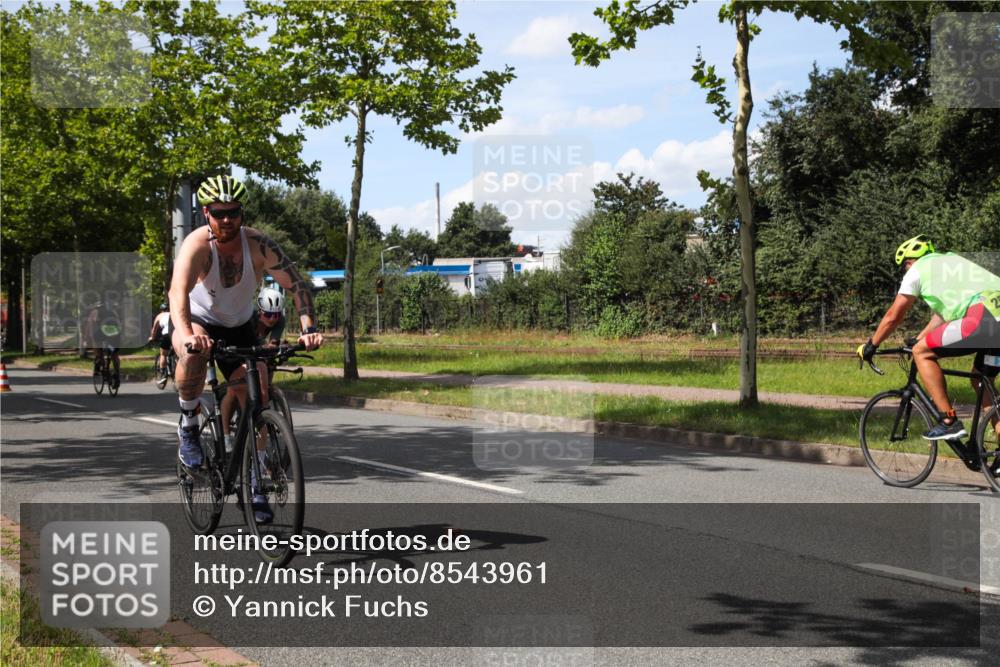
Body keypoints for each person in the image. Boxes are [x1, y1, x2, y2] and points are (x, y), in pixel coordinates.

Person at [169, 174, 322, 523]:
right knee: (192, 355)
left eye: (233, 212)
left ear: (241, 212)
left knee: (258, 396)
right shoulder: (196, 245)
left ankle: (255, 486)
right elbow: (177, 294)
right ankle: (189, 423)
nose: (227, 219)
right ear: (206, 212)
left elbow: (296, 283)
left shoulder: (257, 245)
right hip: (197, 320)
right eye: (219, 212)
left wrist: (308, 327)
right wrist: (188, 333)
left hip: (239, 325)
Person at [858, 235, 1000, 441]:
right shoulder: (953, 261)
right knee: (981, 381)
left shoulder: (917, 270)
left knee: (921, 352)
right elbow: (941, 316)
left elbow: (893, 316)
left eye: (904, 267)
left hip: (981, 317)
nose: (905, 271)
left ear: (909, 262)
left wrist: (872, 345)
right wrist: (919, 337)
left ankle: (948, 420)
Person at [219, 286, 288, 452]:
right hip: (239, 348)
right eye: (268, 314)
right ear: (260, 311)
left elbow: (272, 344)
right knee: (233, 390)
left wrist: (279, 350)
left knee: (266, 373)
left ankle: (262, 413)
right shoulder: (248, 318)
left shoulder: (280, 320)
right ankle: (226, 433)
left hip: (258, 351)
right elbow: (245, 342)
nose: (273, 319)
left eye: (276, 315)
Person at [84, 300, 122, 388]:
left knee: (98, 352)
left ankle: (99, 365)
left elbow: (89, 327)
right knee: (114, 355)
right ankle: (117, 374)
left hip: (100, 334)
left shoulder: (94, 312)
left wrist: (86, 340)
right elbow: (119, 324)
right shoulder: (113, 312)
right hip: (114, 333)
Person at [148, 303, 172, 389]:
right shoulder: (173, 313)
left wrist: (152, 338)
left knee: (163, 354)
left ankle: (162, 374)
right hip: (176, 334)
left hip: (166, 335)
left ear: (161, 310)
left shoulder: (159, 316)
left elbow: (154, 329)